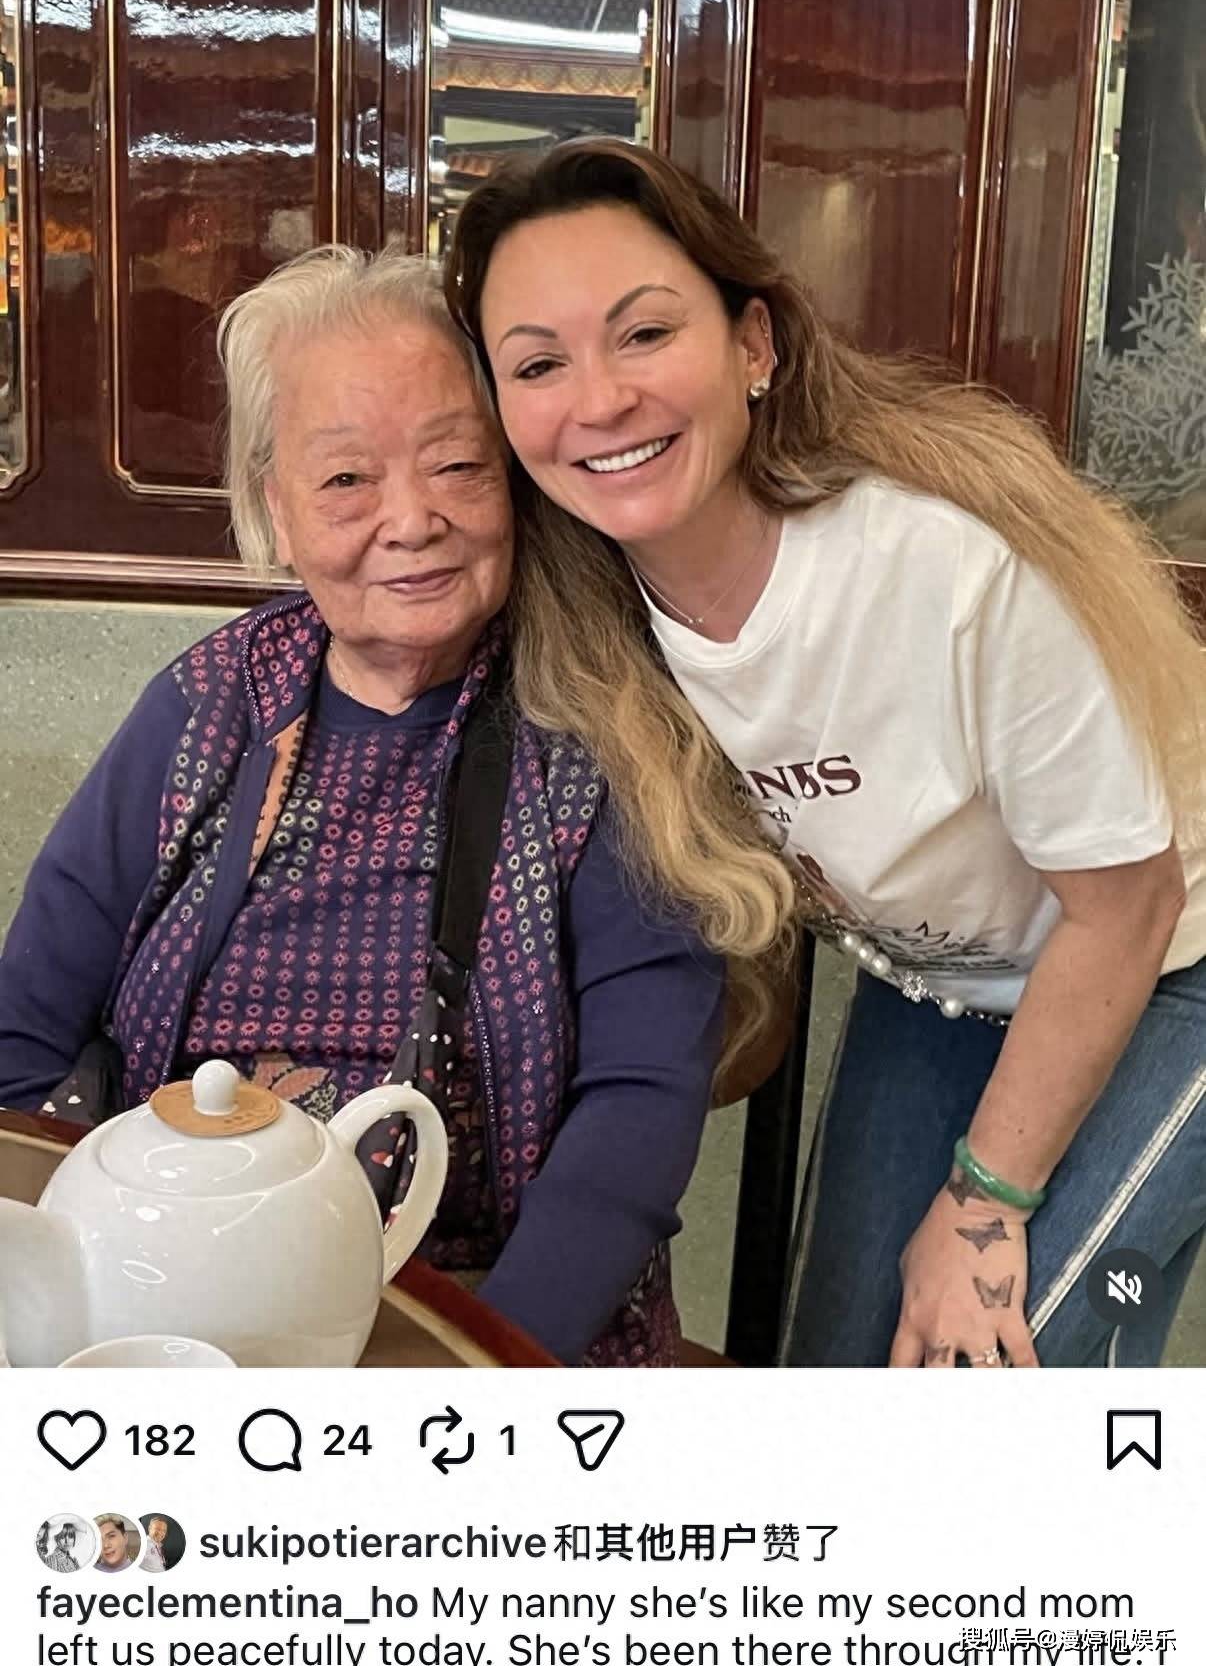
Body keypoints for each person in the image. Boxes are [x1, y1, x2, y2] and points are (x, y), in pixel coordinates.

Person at [445, 136, 1206, 1369]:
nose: (598, 400)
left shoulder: (943, 569)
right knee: (840, 1370)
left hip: (1166, 951)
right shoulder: (587, 633)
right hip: (943, 982)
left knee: (983, 1370)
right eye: (538, 363)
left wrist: (982, 1206)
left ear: (753, 345)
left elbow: (1128, 906)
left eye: (645, 334)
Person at [0, 245, 746, 1367]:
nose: (412, 519)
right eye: (347, 479)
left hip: (477, 1321)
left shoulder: (600, 723)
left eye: (457, 464)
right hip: (169, 1316)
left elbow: (636, 1112)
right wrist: (77, 1288)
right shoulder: (207, 706)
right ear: (276, 508)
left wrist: (474, 1369)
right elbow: (21, 1029)